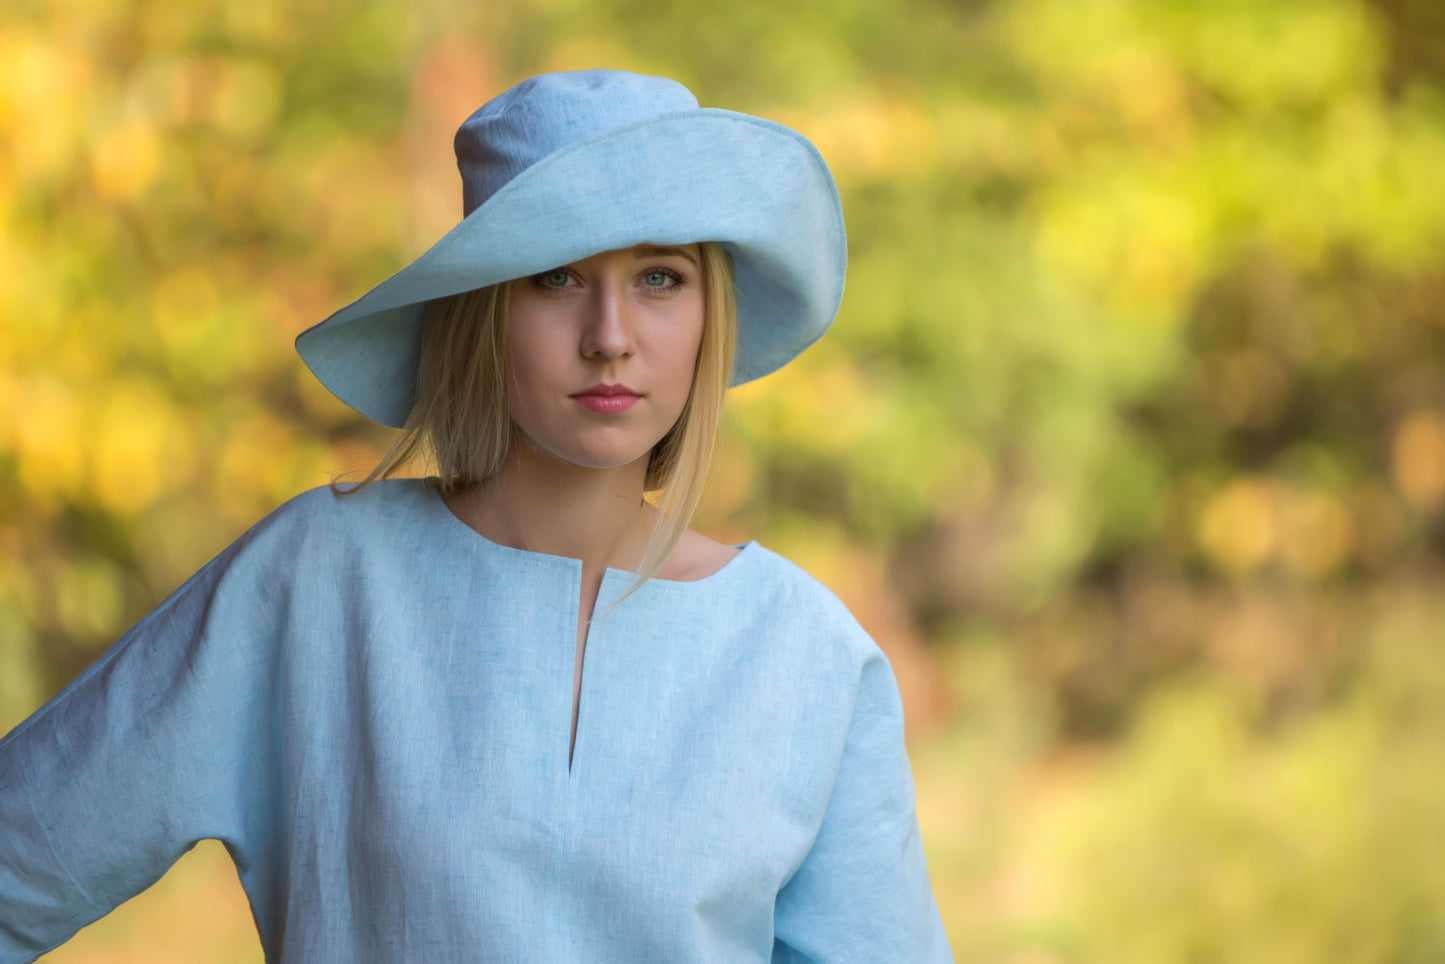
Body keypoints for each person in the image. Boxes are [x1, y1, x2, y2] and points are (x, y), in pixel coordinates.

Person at [0, 69, 953, 962]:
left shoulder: (808, 655)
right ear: (481, 310)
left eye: (660, 277)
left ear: (711, 315)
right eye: (556, 277)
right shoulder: (317, 579)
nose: (610, 338)